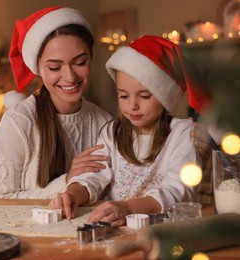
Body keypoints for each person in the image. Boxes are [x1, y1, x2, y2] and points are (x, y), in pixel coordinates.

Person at [49, 35, 211, 227]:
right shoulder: (111, 131)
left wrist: (128, 208)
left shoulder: (181, 133)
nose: (133, 105)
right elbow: (93, 174)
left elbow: (179, 190)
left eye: (144, 96)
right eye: (123, 96)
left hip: (162, 229)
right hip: (115, 226)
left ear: (165, 96)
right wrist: (73, 193)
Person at [0, 6, 112, 199]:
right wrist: (66, 181)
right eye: (54, 67)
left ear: (91, 60)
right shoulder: (18, 122)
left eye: (80, 63)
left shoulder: (104, 122)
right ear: (39, 70)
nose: (69, 77)